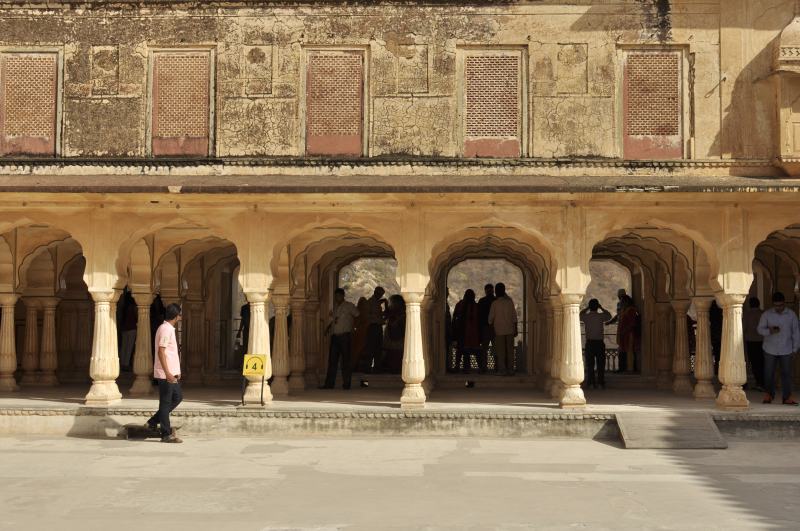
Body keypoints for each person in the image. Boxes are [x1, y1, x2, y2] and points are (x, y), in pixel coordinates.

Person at [145, 303, 184, 443]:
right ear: (176, 316)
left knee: (177, 397)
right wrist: (168, 372)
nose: (180, 317)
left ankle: (153, 421)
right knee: (166, 403)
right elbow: (161, 351)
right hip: (165, 374)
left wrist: (175, 371)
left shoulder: (167, 328)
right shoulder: (166, 330)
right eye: (180, 315)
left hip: (171, 372)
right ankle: (165, 434)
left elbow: (170, 353)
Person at [757, 292, 800, 405]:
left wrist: (795, 349)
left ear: (784, 303)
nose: (778, 308)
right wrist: (769, 331)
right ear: (773, 304)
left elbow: (796, 333)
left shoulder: (791, 315)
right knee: (768, 373)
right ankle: (769, 395)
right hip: (769, 349)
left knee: (786, 374)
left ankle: (787, 397)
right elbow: (759, 329)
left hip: (786, 349)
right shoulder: (766, 315)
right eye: (776, 305)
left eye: (780, 305)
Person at [322, 288, 359, 389]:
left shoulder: (349, 306)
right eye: (336, 296)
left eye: (339, 296)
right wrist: (328, 328)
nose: (337, 298)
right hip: (335, 336)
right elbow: (335, 320)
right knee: (332, 361)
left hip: (345, 336)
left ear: (343, 296)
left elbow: (358, 315)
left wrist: (354, 328)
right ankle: (329, 384)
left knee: (346, 361)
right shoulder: (335, 307)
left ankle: (346, 384)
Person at [580, 299, 612, 389]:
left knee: (590, 365)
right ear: (597, 306)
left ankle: (591, 383)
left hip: (590, 343)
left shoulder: (586, 317)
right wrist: (601, 308)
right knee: (600, 364)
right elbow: (609, 316)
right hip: (599, 343)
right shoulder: (601, 316)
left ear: (590, 307)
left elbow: (579, 315)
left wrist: (587, 308)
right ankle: (600, 383)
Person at [488, 282, 517, 375]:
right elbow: (514, 317)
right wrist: (515, 328)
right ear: (504, 291)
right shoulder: (510, 302)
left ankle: (502, 370)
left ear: (496, 292)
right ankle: (511, 370)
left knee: (501, 352)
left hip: (499, 330)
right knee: (510, 351)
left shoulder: (495, 303)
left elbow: (490, 319)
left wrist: (491, 328)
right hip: (510, 329)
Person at [452, 289, 481, 373]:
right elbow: (479, 320)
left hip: (462, 332)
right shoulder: (475, 306)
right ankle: (471, 368)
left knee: (461, 351)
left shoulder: (460, 305)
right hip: (473, 332)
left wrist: (454, 331)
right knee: (472, 350)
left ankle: (459, 367)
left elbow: (455, 318)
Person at [360, 286, 387, 373]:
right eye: (379, 293)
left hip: (378, 327)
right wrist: (379, 317)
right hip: (372, 327)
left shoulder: (377, 303)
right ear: (375, 292)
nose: (380, 295)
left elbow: (379, 315)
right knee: (371, 348)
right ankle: (368, 368)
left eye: (381, 294)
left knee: (378, 348)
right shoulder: (370, 302)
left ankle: (376, 368)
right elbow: (368, 316)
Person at [743, 297, 765, 391]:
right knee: (762, 362)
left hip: (751, 341)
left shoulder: (748, 315)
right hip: (762, 341)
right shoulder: (763, 314)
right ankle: (763, 382)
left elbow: (743, 328)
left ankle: (759, 383)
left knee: (754, 362)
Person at [383, 294, 406, 374]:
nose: (390, 306)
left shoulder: (402, 317)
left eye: (391, 303)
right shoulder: (393, 316)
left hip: (398, 345)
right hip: (392, 345)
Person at [616, 295, 639, 372]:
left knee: (629, 351)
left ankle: (630, 368)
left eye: (622, 301)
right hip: (624, 334)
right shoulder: (625, 310)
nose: (621, 303)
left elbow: (632, 323)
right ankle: (623, 368)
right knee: (623, 350)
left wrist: (624, 331)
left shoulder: (631, 310)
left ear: (626, 302)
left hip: (629, 334)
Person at [477, 283, 495, 373]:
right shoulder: (496, 300)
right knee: (496, 348)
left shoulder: (482, 301)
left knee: (484, 349)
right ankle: (497, 367)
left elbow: (479, 316)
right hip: (494, 328)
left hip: (485, 328)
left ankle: (484, 367)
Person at [118, 290, 137, 371]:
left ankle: (122, 363)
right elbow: (136, 317)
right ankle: (125, 364)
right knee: (129, 347)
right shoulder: (133, 307)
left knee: (124, 347)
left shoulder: (123, 307)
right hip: (132, 328)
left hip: (124, 329)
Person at [350, 297, 370, 372]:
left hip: (362, 335)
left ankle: (356, 367)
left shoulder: (364, 313)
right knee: (357, 352)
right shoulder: (358, 313)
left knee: (359, 352)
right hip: (358, 335)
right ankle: (354, 367)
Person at [709, 300, 723, 374]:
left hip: (714, 335)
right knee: (720, 354)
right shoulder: (721, 311)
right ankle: (720, 370)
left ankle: (717, 370)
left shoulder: (710, 312)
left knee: (717, 353)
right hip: (721, 335)